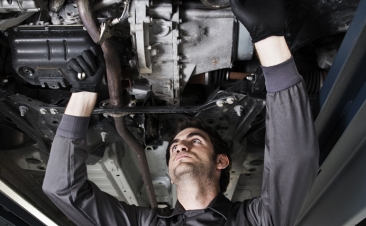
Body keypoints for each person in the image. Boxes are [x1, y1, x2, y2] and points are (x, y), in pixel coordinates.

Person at [43, 0, 319, 225]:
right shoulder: (255, 221)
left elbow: (63, 191)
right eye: (178, 145)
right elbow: (293, 159)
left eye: (190, 142)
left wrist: (82, 93)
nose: (180, 147)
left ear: (220, 161)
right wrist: (268, 37)